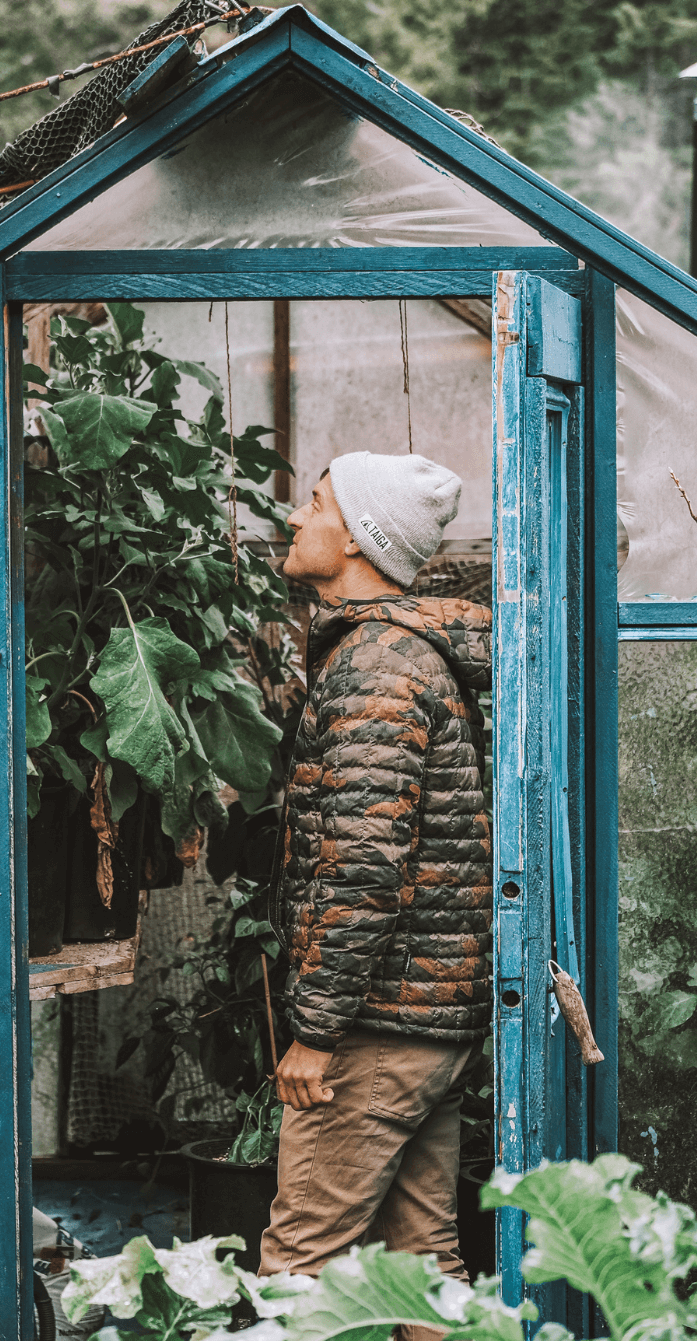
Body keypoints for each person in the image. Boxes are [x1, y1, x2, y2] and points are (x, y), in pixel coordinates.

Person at [260, 451, 492, 1332]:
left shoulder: (376, 666)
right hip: (428, 1023)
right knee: (422, 1271)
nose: (295, 518)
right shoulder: (406, 654)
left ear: (357, 535)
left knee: (297, 1272)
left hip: (377, 1029)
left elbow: (361, 869)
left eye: (314, 503)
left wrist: (317, 1031)